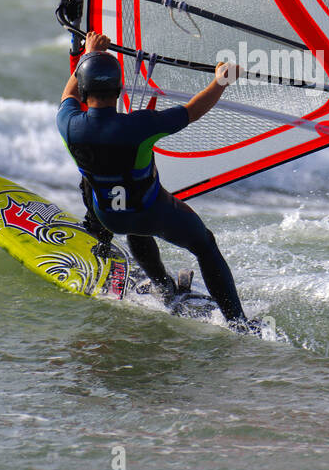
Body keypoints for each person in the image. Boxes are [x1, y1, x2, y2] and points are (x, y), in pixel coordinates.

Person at [56, 31, 256, 332]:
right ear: (119, 88)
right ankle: (239, 324)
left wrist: (87, 54)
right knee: (204, 246)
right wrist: (222, 79)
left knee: (133, 230)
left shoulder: (69, 125)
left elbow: (68, 96)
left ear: (85, 91)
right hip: (154, 212)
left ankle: (163, 288)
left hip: (110, 217)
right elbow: (192, 111)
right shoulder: (140, 125)